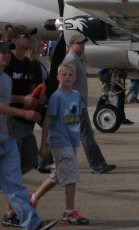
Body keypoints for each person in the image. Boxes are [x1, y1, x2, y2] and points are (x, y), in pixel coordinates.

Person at [0, 41, 58, 230]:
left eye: (7, 52)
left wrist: (9, 131)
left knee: (15, 184)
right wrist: (23, 114)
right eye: (1, 53)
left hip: (6, 139)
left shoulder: (7, 80)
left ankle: (33, 224)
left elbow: (6, 109)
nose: (5, 55)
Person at [31, 64, 90, 225]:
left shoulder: (76, 95)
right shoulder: (56, 97)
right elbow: (48, 120)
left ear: (75, 78)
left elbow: (79, 116)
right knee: (71, 176)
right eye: (64, 74)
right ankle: (69, 212)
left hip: (71, 142)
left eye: (71, 75)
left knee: (57, 175)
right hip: (59, 141)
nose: (67, 77)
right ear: (58, 77)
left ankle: (33, 198)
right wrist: (44, 144)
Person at [3, 26, 47, 226]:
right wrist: (23, 103)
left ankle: (25, 218)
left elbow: (35, 88)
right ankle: (13, 212)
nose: (30, 39)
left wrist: (38, 98)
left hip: (19, 125)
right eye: (25, 36)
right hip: (12, 122)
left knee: (28, 164)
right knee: (12, 179)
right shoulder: (6, 68)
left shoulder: (31, 65)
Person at [62, 35, 116, 175]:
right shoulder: (71, 60)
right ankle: (98, 165)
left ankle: (45, 161)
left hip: (77, 104)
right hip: (76, 105)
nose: (83, 45)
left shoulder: (77, 60)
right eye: (80, 43)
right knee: (86, 136)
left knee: (69, 136)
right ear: (72, 44)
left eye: (84, 43)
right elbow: (65, 82)